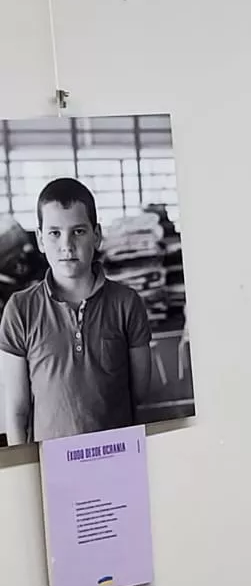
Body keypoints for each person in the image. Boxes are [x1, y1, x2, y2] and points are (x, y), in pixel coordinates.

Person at [0, 178, 153, 446]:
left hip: (117, 459)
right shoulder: (20, 310)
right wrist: (25, 474)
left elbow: (139, 392)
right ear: (40, 239)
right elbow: (16, 412)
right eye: (55, 233)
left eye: (78, 231)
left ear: (97, 235)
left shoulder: (126, 304)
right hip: (52, 471)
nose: (67, 245)